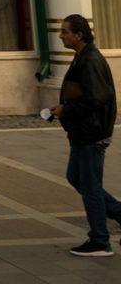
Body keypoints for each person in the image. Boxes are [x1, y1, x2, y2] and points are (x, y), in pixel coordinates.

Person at [56, 14, 121, 257]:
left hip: (92, 133)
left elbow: (97, 97)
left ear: (78, 35)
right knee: (77, 178)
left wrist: (67, 109)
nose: (61, 36)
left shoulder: (91, 59)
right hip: (82, 131)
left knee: (90, 186)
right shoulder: (82, 57)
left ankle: (100, 241)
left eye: (64, 31)